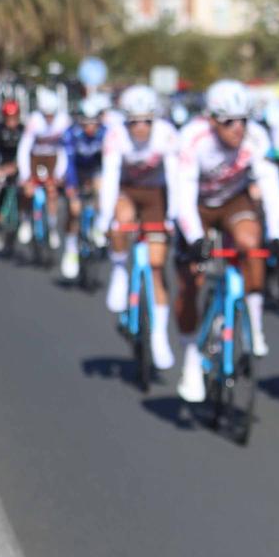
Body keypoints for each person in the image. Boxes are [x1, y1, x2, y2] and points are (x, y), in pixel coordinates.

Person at [169, 80, 279, 402]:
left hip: (233, 200)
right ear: (211, 120)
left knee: (252, 244)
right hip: (197, 206)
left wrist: (278, 233)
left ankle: (254, 325)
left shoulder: (256, 138)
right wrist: (195, 239)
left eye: (243, 121)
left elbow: (273, 188)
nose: (237, 129)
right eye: (228, 122)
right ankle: (191, 358)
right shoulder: (193, 139)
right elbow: (182, 196)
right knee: (190, 280)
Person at [98, 85, 180, 370]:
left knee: (157, 266)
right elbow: (109, 179)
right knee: (120, 221)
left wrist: (172, 216)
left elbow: (176, 178)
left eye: (147, 121)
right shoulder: (115, 135)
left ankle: (158, 335)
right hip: (128, 191)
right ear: (126, 121)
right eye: (134, 121)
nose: (141, 127)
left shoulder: (167, 134)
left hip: (157, 195)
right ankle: (120, 269)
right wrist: (104, 219)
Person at [58, 93, 110, 280]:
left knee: (102, 189)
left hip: (96, 170)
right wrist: (71, 187)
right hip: (76, 172)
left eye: (93, 122)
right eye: (85, 122)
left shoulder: (107, 132)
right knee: (74, 209)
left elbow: (110, 163)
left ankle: (98, 227)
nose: (90, 127)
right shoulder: (70, 134)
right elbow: (68, 163)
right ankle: (71, 249)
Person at [15, 85, 70, 252]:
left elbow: (66, 150)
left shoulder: (63, 121)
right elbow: (24, 148)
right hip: (35, 159)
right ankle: (25, 221)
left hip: (54, 159)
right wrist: (25, 174)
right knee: (28, 190)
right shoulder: (34, 121)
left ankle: (52, 227)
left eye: (52, 115)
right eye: (46, 115)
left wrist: (60, 173)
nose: (49, 118)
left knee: (52, 191)